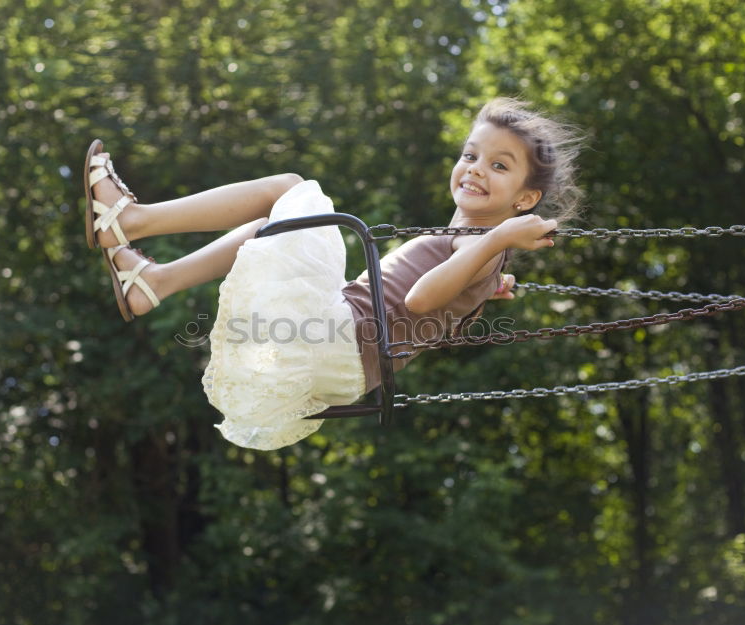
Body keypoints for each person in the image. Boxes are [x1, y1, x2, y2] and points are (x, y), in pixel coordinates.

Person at [83, 97, 583, 450]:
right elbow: (443, 306)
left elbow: (420, 303)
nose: (475, 168)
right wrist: (482, 289)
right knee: (272, 227)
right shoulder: (474, 250)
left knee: (290, 189)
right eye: (470, 155)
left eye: (499, 166)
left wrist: (495, 242)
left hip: (343, 337)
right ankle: (151, 283)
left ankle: (131, 219)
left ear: (525, 199)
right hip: (344, 360)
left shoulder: (481, 242)